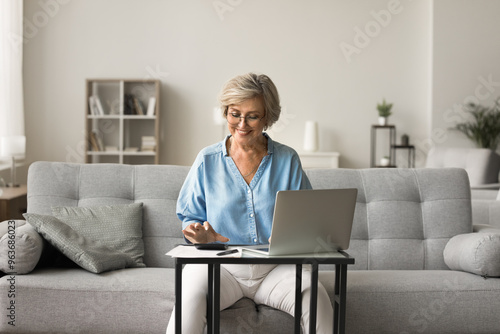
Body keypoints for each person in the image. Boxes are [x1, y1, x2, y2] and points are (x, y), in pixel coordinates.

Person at [166, 73, 333, 333]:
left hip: (276, 269)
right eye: (235, 114)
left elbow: (308, 220)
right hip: (222, 268)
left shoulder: (287, 160)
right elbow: (190, 219)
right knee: (188, 299)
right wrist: (200, 235)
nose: (242, 124)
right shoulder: (207, 160)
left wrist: (303, 236)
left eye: (252, 116)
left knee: (317, 299)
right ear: (225, 112)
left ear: (268, 117)